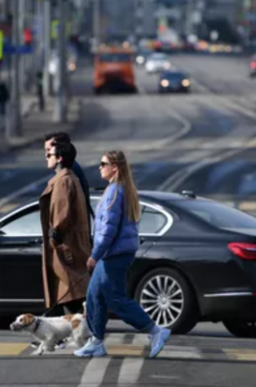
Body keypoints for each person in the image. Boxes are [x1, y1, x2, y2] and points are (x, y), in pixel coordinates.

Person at [75, 151, 171, 359]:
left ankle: (155, 331)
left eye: (103, 163)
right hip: (115, 253)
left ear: (115, 167)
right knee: (95, 295)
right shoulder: (120, 189)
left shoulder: (115, 191)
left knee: (115, 298)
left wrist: (95, 254)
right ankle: (96, 342)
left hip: (113, 254)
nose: (99, 167)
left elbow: (108, 229)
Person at [40, 141, 92, 316]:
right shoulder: (70, 178)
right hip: (71, 246)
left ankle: (75, 339)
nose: (46, 157)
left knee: (69, 295)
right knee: (71, 296)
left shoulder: (63, 181)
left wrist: (54, 234)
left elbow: (61, 215)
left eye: (49, 155)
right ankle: (72, 338)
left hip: (65, 248)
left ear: (60, 158)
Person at [45, 132, 93, 231]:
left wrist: (54, 234)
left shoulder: (66, 177)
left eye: (49, 151)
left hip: (70, 241)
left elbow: (62, 214)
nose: (46, 155)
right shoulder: (68, 171)